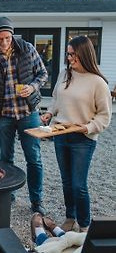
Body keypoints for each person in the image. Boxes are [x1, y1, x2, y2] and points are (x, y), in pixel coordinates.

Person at [41, 36, 112, 232]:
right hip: (60, 134)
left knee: (78, 185)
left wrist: (86, 128)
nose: (69, 58)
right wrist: (49, 112)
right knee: (66, 182)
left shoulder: (98, 83)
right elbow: (56, 99)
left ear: (84, 54)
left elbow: (104, 117)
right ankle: (70, 217)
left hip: (83, 139)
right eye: (68, 54)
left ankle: (85, 224)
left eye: (73, 54)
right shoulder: (65, 74)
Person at [0, 16, 48, 214]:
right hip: (4, 115)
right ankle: (8, 195)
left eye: (7, 38)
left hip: (28, 112)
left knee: (33, 158)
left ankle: (37, 201)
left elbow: (43, 74)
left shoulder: (27, 49)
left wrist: (32, 87)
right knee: (5, 159)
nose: (4, 43)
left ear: (12, 34)